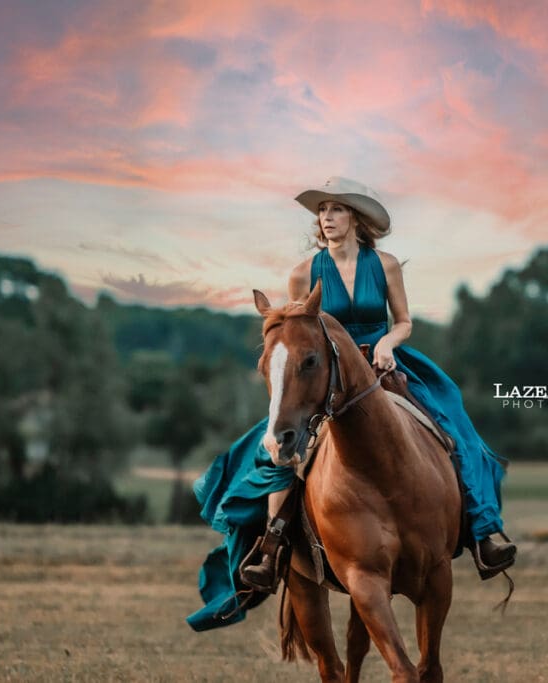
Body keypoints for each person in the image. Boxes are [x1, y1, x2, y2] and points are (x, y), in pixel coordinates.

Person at [187, 177, 515, 632]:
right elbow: (301, 334)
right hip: (324, 372)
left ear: (356, 219)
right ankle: (272, 546)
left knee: (450, 420)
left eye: (336, 209)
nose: (326, 217)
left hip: (381, 362)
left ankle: (484, 528)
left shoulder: (385, 264)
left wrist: (386, 344)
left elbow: (403, 322)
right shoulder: (304, 273)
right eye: (322, 211)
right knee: (279, 444)